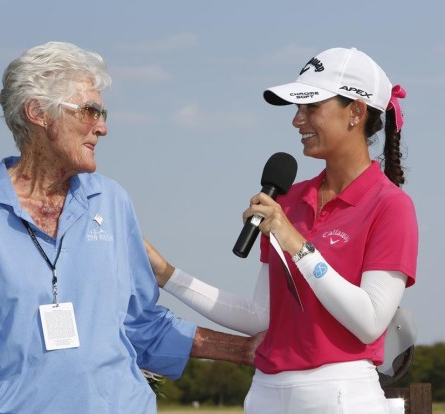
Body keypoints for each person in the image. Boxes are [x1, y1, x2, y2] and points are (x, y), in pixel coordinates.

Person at [0, 41, 259, 414]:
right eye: (89, 111)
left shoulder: (111, 202)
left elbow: (142, 326)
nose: (103, 128)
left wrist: (246, 350)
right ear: (38, 113)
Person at [145, 47, 418, 413]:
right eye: (296, 109)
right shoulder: (288, 202)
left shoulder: (391, 206)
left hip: (341, 393)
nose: (297, 121)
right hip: (266, 392)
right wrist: (168, 276)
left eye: (310, 108)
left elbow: (369, 322)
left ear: (355, 111)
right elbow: (262, 316)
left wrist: (296, 244)